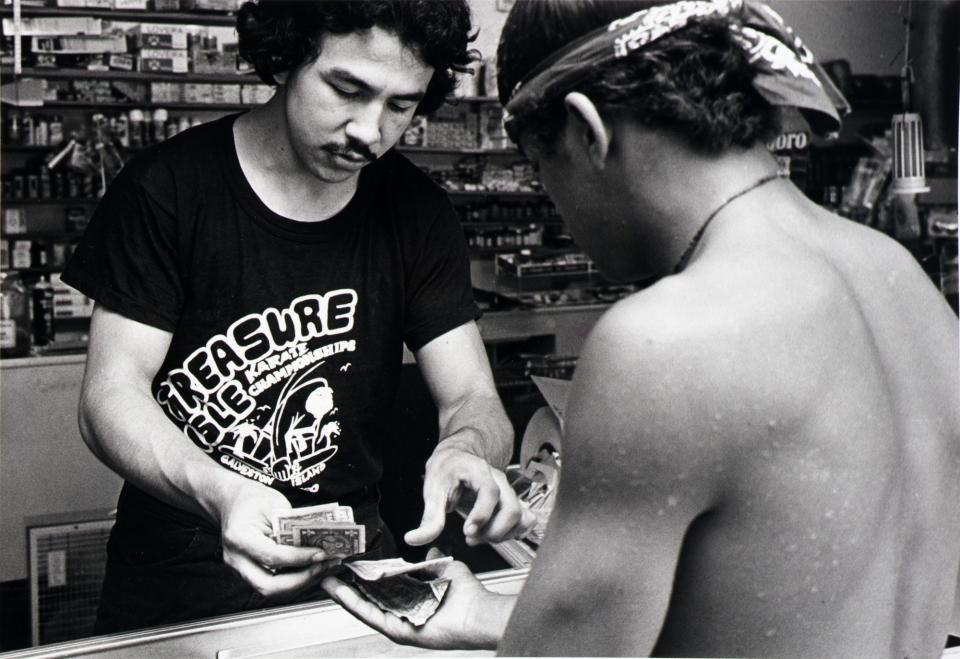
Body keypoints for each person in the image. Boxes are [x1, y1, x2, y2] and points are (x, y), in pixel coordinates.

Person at [322, 0, 960, 656]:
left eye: (544, 174)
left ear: (585, 130)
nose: (562, 215)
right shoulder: (902, 283)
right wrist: (493, 613)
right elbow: (791, 595)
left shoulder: (663, 341)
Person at [63, 0, 534, 633]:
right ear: (287, 55)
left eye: (400, 105)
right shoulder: (167, 189)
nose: (369, 131)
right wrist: (222, 491)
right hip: (180, 570)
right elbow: (108, 397)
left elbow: (472, 395)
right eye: (347, 88)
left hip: (355, 570)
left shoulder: (416, 211)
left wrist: (468, 448)